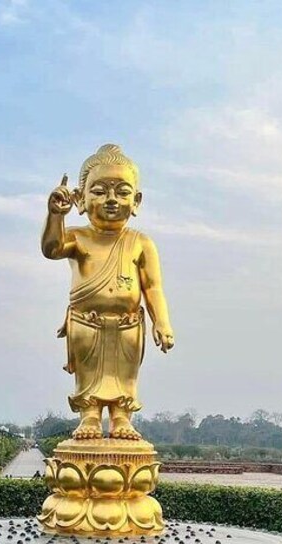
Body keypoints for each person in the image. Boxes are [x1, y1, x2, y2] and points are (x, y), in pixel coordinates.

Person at [41, 144, 175, 441]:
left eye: (122, 192)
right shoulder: (77, 236)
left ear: (137, 200)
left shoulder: (141, 242)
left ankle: (120, 416)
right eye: (99, 191)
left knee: (125, 375)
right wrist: (54, 216)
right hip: (85, 322)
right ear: (80, 199)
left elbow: (153, 287)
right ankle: (89, 414)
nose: (111, 199)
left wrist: (161, 322)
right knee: (88, 374)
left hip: (128, 324)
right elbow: (51, 249)